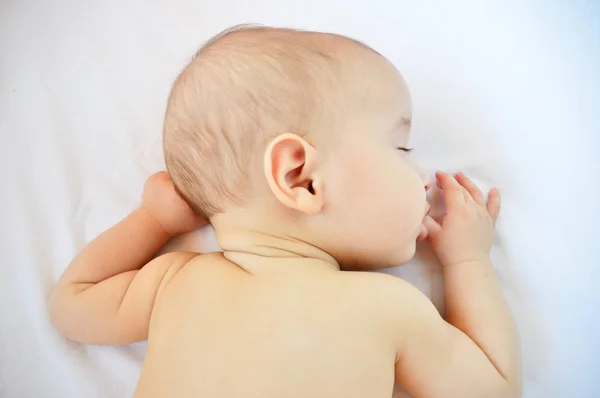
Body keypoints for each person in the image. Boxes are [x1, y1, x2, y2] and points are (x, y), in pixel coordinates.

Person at [49, 25, 521, 398]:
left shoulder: (177, 283)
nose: (424, 177)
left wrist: (153, 220)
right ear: (302, 177)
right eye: (401, 147)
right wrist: (467, 261)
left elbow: (73, 302)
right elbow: (494, 389)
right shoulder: (389, 307)